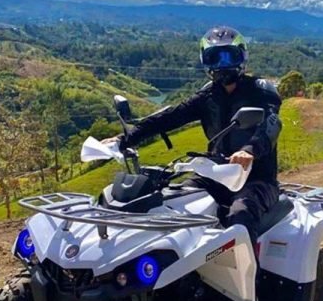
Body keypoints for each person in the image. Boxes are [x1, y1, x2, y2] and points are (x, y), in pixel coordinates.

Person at [106, 26, 282, 247]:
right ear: (205, 61)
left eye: (229, 56)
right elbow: (170, 116)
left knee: (241, 216)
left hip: (257, 179)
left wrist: (249, 151)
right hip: (214, 175)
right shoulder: (208, 95)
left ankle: (250, 279)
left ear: (241, 57)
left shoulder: (260, 90)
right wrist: (124, 140)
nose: (223, 64)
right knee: (171, 203)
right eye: (215, 57)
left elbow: (271, 124)